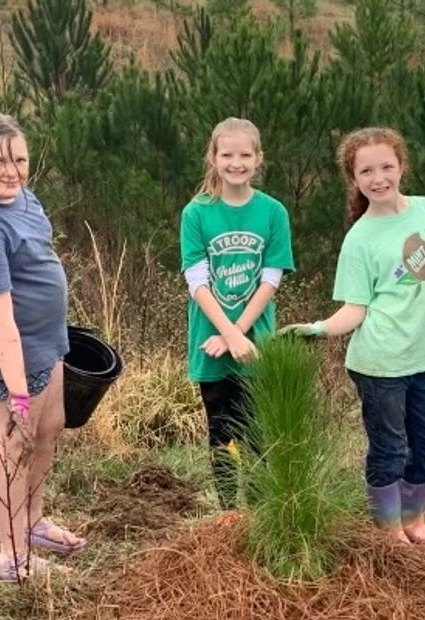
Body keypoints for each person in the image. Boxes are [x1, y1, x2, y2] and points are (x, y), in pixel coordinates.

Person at [279, 127, 425, 546]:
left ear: (402, 166)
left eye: (386, 166)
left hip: (421, 356)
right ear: (354, 178)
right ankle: (389, 533)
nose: (378, 177)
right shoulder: (360, 238)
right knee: (390, 450)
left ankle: (415, 523)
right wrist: (319, 328)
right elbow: (355, 310)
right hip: (379, 361)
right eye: (366, 171)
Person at [0, 113, 84, 581]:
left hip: (47, 341)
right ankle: (13, 557)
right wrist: (18, 396)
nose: (11, 171)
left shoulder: (23, 197)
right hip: (13, 355)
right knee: (15, 447)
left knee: (48, 431)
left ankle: (33, 523)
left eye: (20, 160)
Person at [180, 117, 295, 509]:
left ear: (258, 158)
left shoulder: (272, 212)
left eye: (245, 154)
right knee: (221, 432)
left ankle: (261, 511)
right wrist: (227, 335)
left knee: (258, 433)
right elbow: (197, 283)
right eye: (226, 154)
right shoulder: (196, 213)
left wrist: (239, 333)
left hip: (255, 343)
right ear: (213, 158)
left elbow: (270, 280)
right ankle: (229, 512)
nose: (236, 163)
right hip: (209, 344)